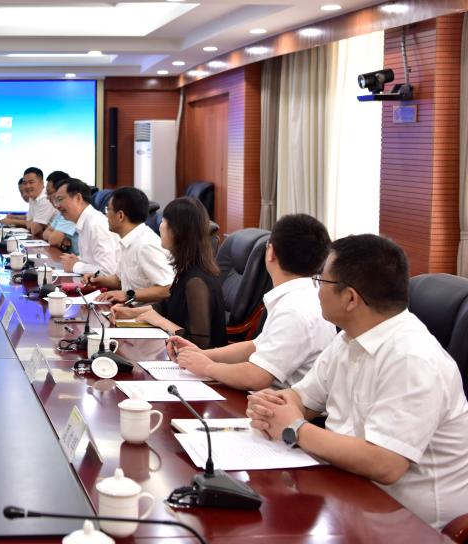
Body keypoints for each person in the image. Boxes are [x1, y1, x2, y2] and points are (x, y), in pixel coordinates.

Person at [247, 234, 468, 529]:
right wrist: (274, 406)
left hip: (407, 522)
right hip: (347, 494)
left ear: (350, 298)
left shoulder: (412, 358)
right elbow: (304, 399)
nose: (316, 291)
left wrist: (294, 428)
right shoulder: (349, 338)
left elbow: (386, 463)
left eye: (320, 282)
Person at [167, 213, 335, 390]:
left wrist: (206, 367)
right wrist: (203, 354)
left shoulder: (293, 311)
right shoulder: (304, 296)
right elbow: (257, 345)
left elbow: (256, 377)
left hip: (280, 401)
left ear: (271, 253)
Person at [112, 197, 226, 348]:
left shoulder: (196, 281)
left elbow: (200, 343)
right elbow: (166, 305)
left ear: (178, 231)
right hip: (177, 352)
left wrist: (161, 321)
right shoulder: (185, 268)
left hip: (199, 360)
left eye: (164, 221)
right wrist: (132, 313)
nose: (160, 226)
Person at [85, 187, 173, 304]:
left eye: (108, 210)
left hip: (145, 312)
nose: (106, 216)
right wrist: (101, 281)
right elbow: (122, 280)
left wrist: (127, 295)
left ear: (120, 216)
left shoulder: (145, 245)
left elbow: (167, 288)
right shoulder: (127, 240)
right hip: (129, 309)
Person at [52, 178, 119, 276]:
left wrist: (75, 266)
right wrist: (78, 260)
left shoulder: (95, 225)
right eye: (56, 201)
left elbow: (108, 271)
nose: (57, 206)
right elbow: (92, 260)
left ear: (78, 198)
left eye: (60, 200)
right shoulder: (84, 221)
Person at [40, 171, 80, 254]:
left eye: (49, 193)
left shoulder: (71, 211)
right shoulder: (61, 212)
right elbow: (45, 233)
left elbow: (53, 240)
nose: (47, 198)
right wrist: (62, 239)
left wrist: (55, 237)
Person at [22, 166, 57, 236]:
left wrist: (32, 223)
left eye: (31, 182)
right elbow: (28, 222)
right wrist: (32, 223)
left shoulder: (45, 198)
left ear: (41, 182)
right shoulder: (32, 197)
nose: (27, 186)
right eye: (25, 183)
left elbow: (35, 229)